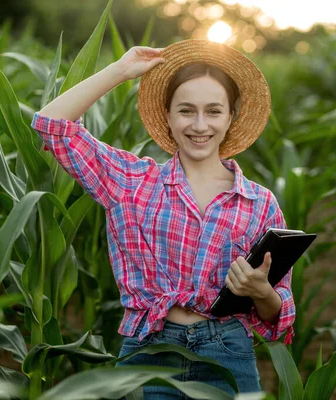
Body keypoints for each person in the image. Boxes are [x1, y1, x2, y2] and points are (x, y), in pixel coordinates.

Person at [31, 39, 295, 398]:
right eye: (186, 110)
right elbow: (51, 125)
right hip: (148, 353)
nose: (200, 125)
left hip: (228, 354)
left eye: (214, 111)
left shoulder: (260, 203)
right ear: (167, 116)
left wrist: (260, 291)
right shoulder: (130, 182)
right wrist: (120, 71)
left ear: (230, 117)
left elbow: (277, 316)